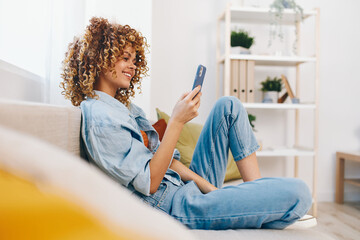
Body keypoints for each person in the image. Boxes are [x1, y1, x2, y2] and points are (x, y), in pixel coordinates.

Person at [60, 17, 312, 230]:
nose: (133, 67)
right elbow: (149, 183)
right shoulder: (101, 119)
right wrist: (177, 121)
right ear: (100, 59)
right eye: (125, 58)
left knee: (229, 106)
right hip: (174, 208)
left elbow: (169, 161)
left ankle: (255, 198)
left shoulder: (124, 109)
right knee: (299, 192)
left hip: (184, 188)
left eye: (135, 60)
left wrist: (212, 190)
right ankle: (263, 208)